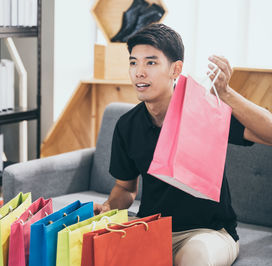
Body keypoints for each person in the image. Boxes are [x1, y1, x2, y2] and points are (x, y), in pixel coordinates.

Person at [93, 23, 272, 266]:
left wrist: (226, 92)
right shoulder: (127, 125)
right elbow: (125, 189)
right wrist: (108, 207)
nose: (139, 72)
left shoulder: (204, 111)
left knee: (193, 258)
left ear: (176, 69)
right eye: (133, 62)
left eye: (151, 62)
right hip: (150, 229)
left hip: (208, 234)